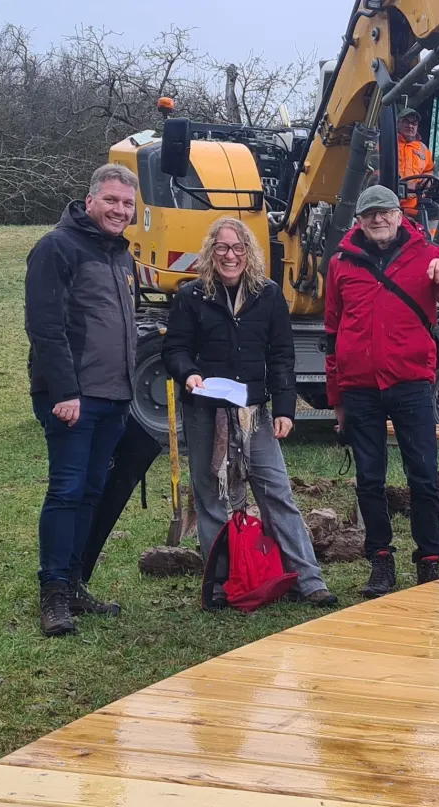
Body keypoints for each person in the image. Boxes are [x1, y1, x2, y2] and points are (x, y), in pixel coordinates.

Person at [163, 217, 338, 608]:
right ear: (211, 252)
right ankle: (223, 584)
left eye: (238, 248)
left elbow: (281, 356)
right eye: (223, 248)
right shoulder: (192, 296)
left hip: (253, 413)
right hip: (205, 411)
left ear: (249, 253)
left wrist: (286, 409)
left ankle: (308, 581)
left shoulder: (268, 295)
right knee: (211, 497)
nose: (231, 255)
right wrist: (188, 374)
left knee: (277, 492)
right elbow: (173, 350)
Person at [325, 184, 439, 597]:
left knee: (425, 478)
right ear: (358, 221)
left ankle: (429, 561)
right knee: (369, 480)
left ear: (400, 215)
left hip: (411, 384)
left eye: (385, 212)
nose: (378, 219)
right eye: (369, 213)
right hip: (359, 389)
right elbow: (331, 332)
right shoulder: (341, 264)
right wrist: (336, 397)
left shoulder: (429, 257)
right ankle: (381, 563)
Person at [24, 163, 139, 637]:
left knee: (91, 492)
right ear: (90, 200)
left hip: (114, 397)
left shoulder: (120, 255)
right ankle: (52, 592)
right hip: (74, 399)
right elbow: (45, 326)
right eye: (111, 200)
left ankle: (73, 583)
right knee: (67, 491)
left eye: (128, 204)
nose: (119, 210)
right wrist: (65, 392)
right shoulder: (57, 247)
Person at [396, 109, 435, 223]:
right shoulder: (387, 142)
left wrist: (427, 180)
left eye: (414, 123)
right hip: (388, 202)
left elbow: (429, 170)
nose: (410, 126)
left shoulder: (423, 148)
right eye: (406, 122)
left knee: (435, 213)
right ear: (398, 123)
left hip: (414, 204)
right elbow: (374, 170)